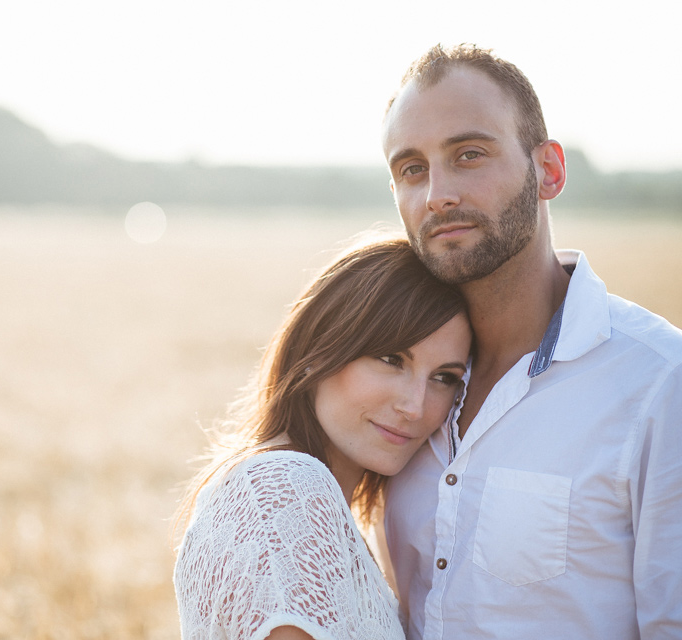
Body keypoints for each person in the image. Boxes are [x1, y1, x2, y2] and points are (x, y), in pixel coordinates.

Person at [380, 44, 682, 639]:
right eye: (411, 168)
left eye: (469, 154)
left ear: (549, 171)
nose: (436, 194)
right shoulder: (391, 382)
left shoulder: (658, 385)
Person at [173, 236, 472, 640]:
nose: (415, 407)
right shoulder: (285, 490)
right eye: (391, 359)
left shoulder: (328, 508)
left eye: (444, 378)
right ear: (319, 349)